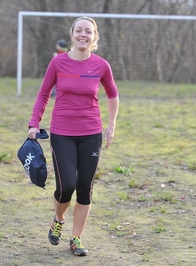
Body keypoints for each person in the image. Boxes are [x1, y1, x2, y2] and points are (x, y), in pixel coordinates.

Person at [27, 16, 119, 256]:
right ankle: (59, 218)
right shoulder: (58, 63)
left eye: (88, 31)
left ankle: (76, 239)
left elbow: (113, 94)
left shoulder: (101, 65)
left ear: (94, 37)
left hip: (91, 133)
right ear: (71, 35)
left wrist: (111, 125)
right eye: (79, 30)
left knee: (84, 188)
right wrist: (33, 123)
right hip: (62, 133)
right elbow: (43, 93)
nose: (83, 34)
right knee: (66, 186)